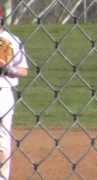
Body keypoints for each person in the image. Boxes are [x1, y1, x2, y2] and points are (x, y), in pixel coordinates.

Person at [0, 5, 29, 179]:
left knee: (2, 138)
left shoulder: (11, 40)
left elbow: (24, 70)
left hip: (3, 93)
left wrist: (8, 68)